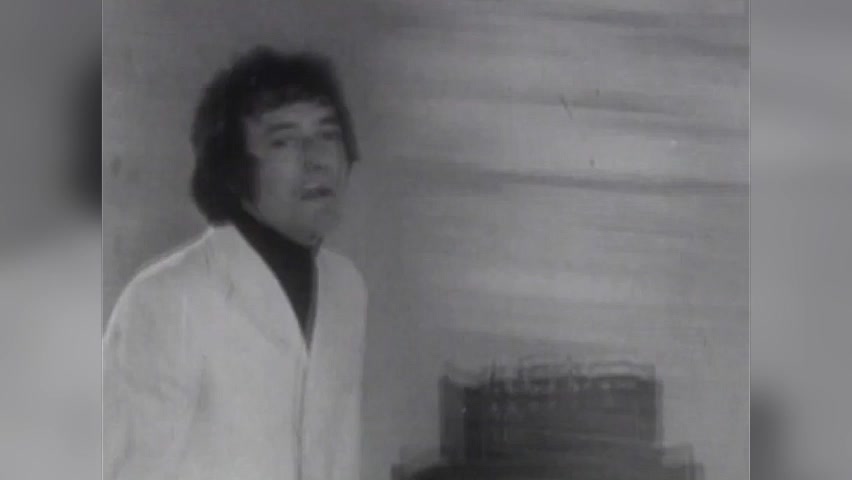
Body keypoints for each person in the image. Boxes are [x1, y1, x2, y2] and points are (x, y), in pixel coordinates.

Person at [103, 47, 367, 480]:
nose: (317, 159)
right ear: (233, 169)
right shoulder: (164, 299)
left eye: (328, 134)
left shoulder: (346, 287)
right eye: (284, 141)